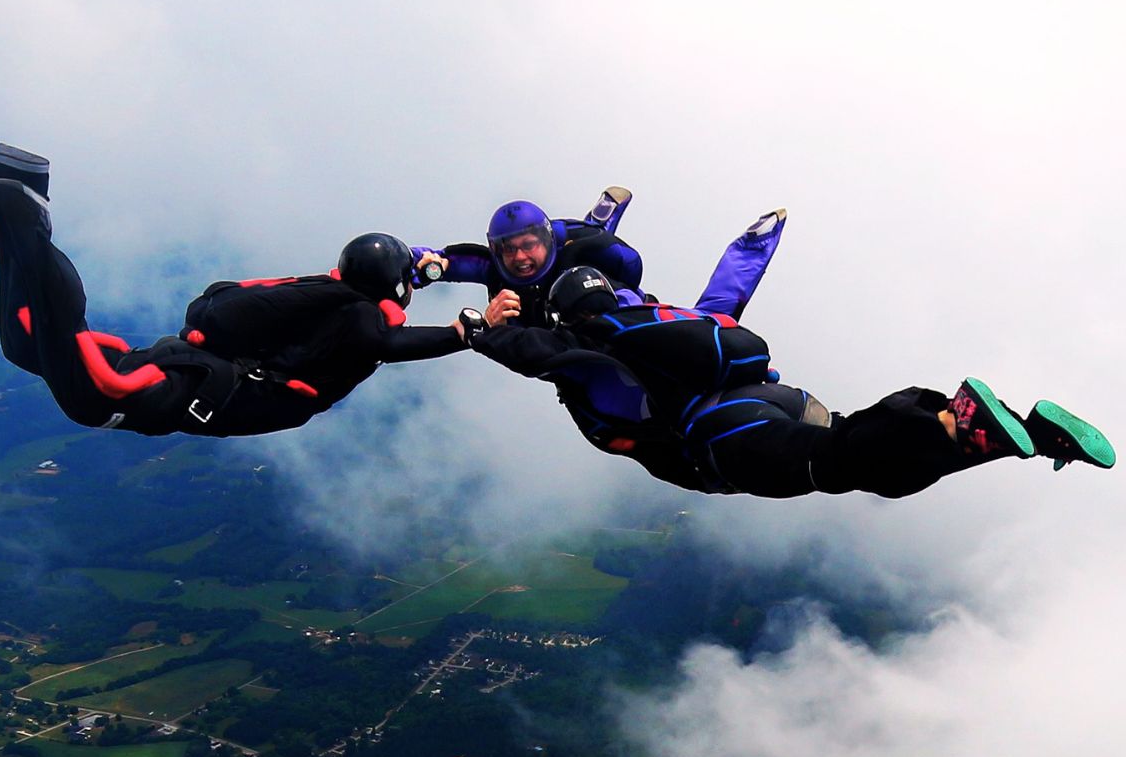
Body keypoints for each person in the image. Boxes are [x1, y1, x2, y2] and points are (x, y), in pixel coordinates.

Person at [0, 139, 471, 438]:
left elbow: (381, 295)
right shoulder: (364, 320)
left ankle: (13, 204)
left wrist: (423, 269)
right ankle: (27, 214)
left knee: (23, 343)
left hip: (182, 369)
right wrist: (465, 331)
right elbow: (388, 341)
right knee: (90, 397)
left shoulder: (332, 292)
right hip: (183, 390)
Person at [464, 265, 1115, 498]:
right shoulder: (647, 316)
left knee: (841, 465)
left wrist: (481, 333)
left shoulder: (587, 367)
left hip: (724, 439)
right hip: (783, 400)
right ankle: (1017, 434)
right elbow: (722, 303)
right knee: (853, 445)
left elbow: (624, 435)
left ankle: (966, 430)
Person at [411, 193, 787, 328]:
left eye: (529, 245)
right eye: (509, 250)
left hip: (611, 301)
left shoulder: (580, 258)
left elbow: (630, 269)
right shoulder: (494, 268)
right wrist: (418, 266)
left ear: (547, 240)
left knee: (712, 324)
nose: (520, 258)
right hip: (557, 338)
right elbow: (444, 259)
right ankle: (598, 222)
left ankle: (751, 247)